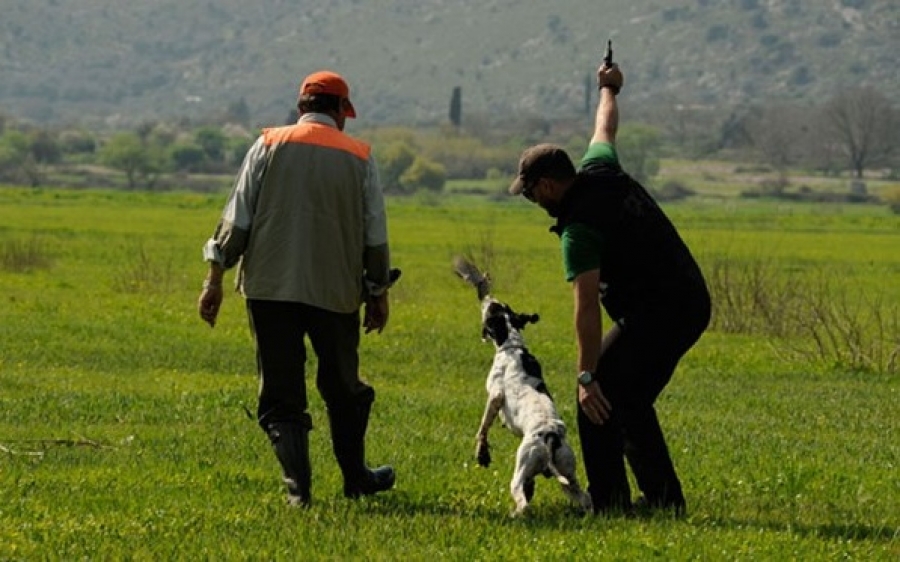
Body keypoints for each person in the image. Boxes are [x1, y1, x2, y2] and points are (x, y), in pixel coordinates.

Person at [508, 60, 711, 516]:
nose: (531, 201)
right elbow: (605, 125)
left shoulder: (579, 230)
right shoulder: (600, 169)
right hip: (687, 297)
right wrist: (609, 87)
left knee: (599, 400)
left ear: (546, 185)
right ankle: (662, 501)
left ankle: (612, 504)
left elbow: (586, 309)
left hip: (663, 311)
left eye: (530, 193)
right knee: (628, 397)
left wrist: (584, 377)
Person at [197, 70, 397, 507]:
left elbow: (238, 219)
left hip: (270, 290)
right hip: (336, 293)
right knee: (344, 388)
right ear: (342, 112)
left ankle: (298, 492)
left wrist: (214, 277)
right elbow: (374, 234)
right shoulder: (359, 156)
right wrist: (378, 291)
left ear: (301, 105)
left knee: (282, 391)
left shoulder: (267, 144)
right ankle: (356, 478)